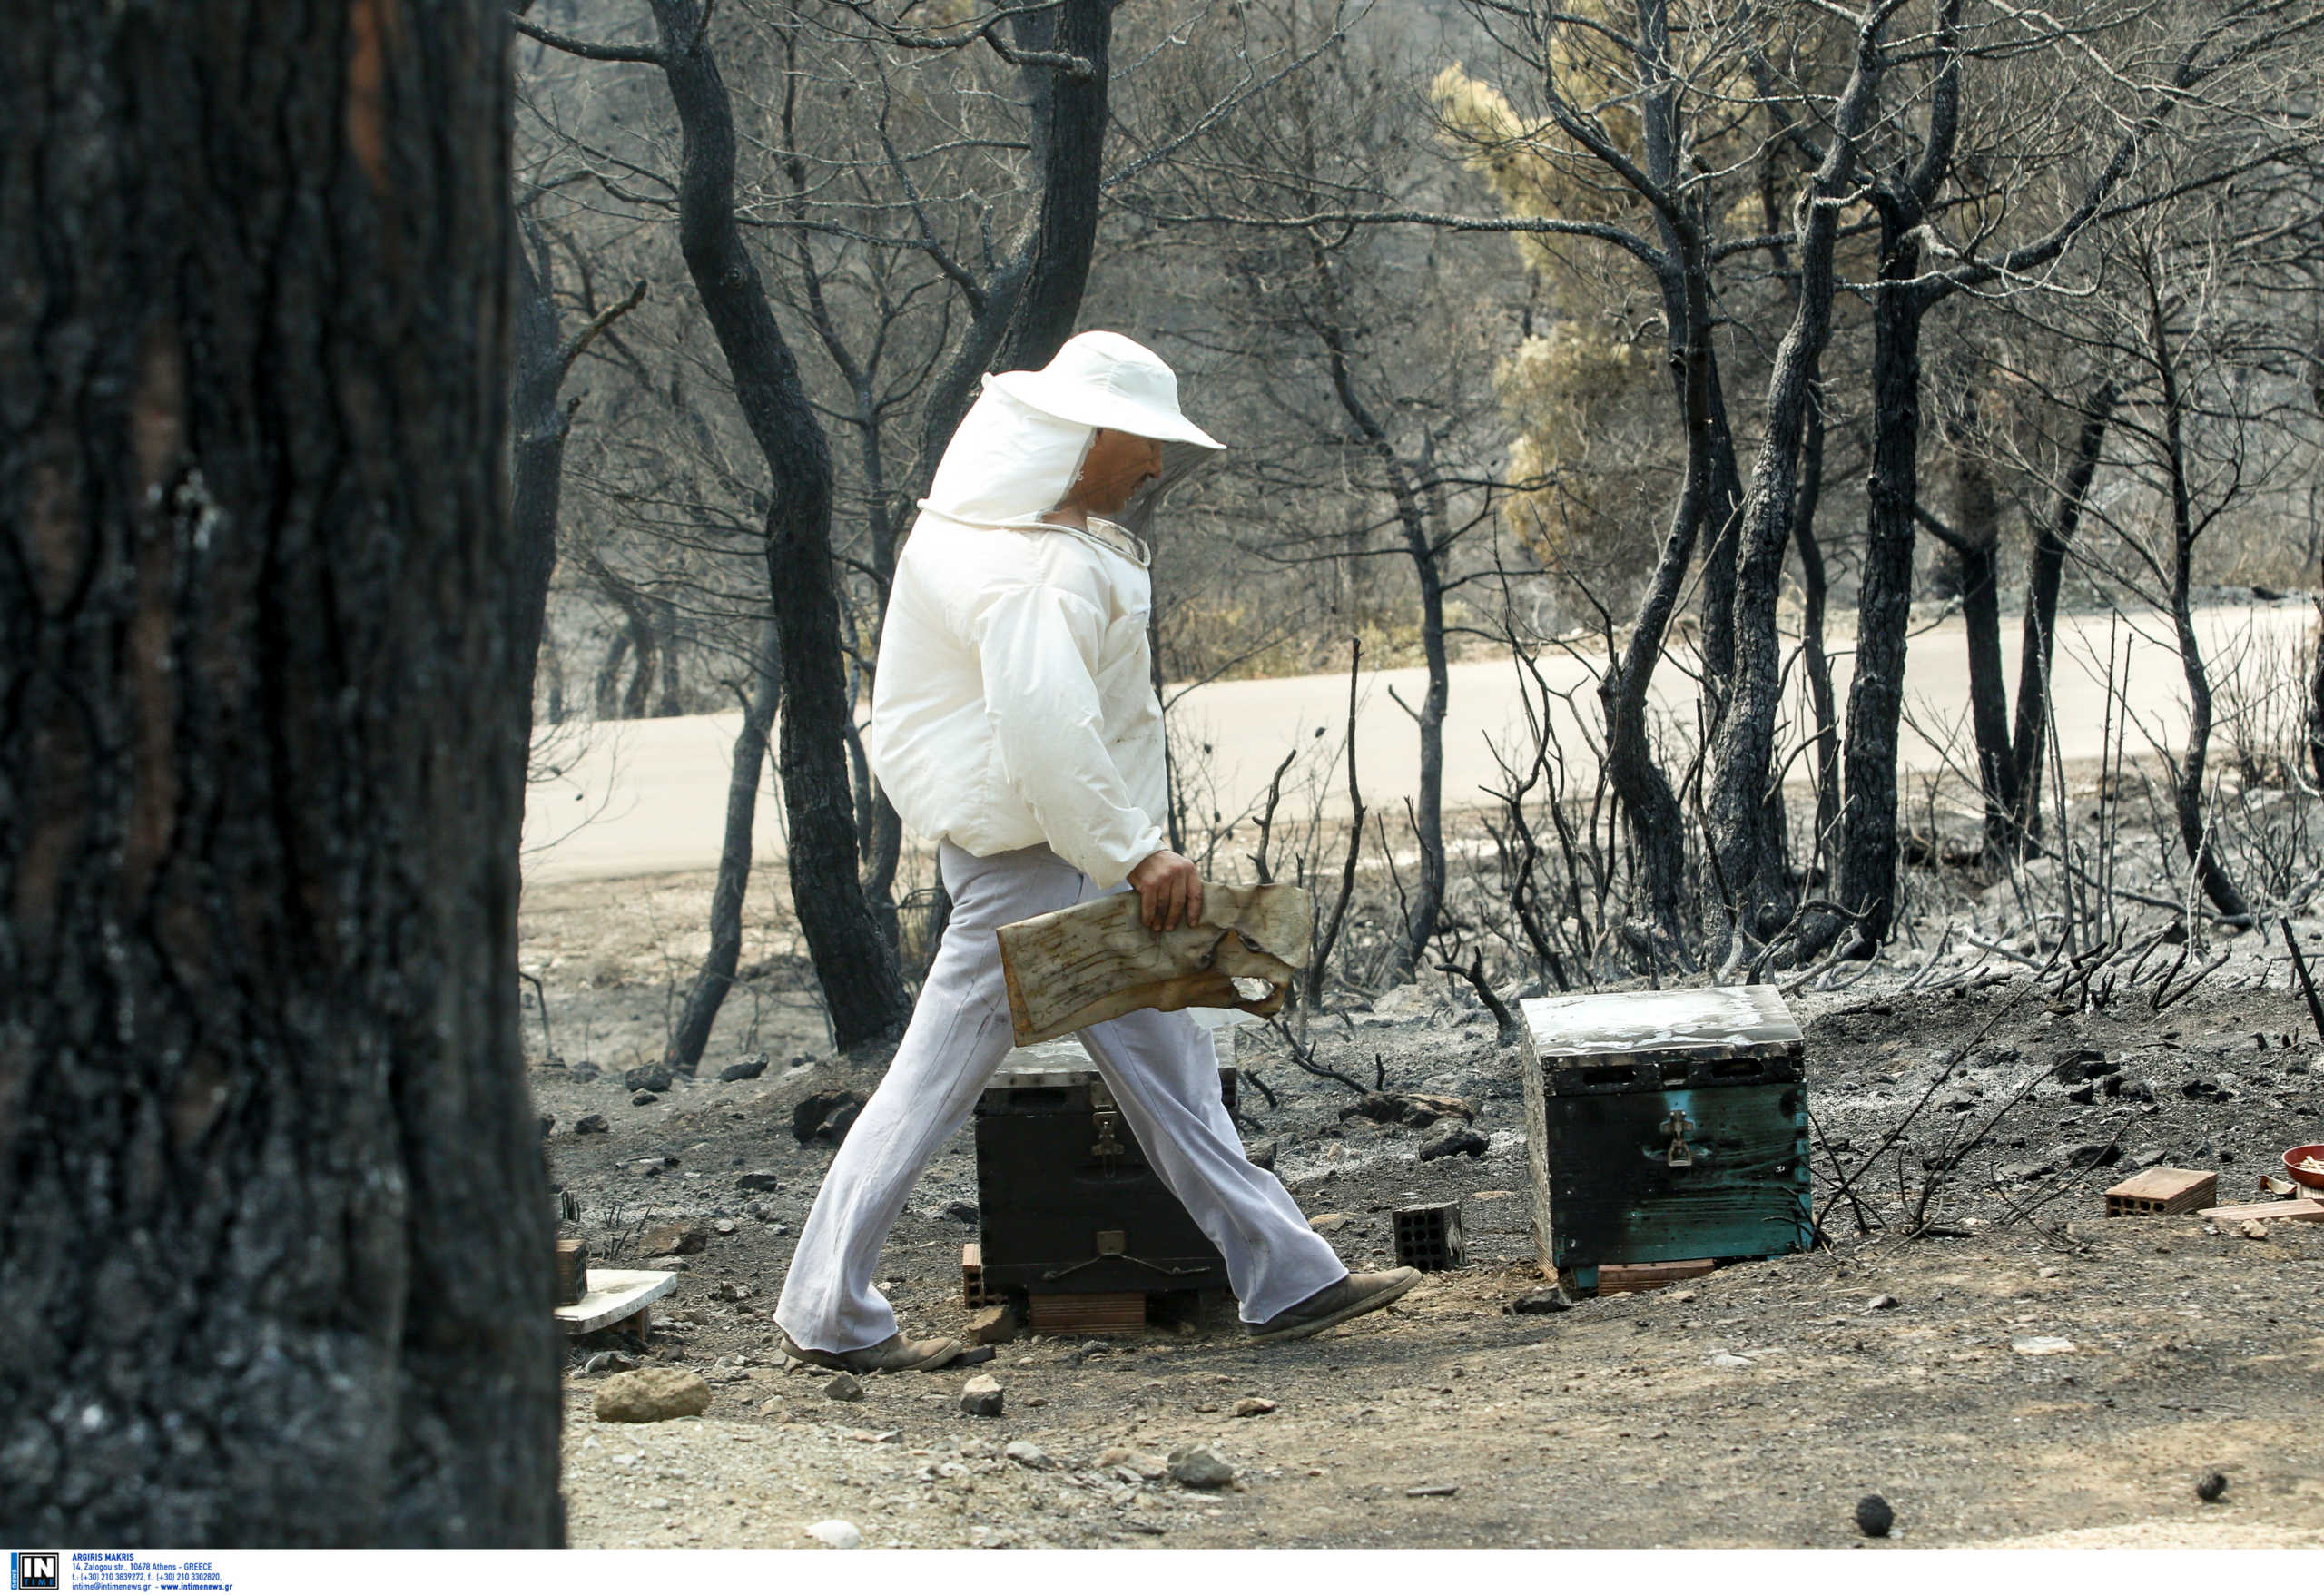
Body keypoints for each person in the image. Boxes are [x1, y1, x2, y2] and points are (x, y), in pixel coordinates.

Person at [773, 330, 1418, 1372]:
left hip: (1051, 849)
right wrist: (1135, 852)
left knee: (1176, 1073)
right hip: (1038, 861)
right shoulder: (1032, 565)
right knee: (928, 1085)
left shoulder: (1008, 532)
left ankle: (1290, 1276)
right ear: (1087, 431)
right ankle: (824, 1310)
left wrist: (1123, 849)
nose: (1157, 466)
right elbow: (1047, 729)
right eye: (1145, 442)